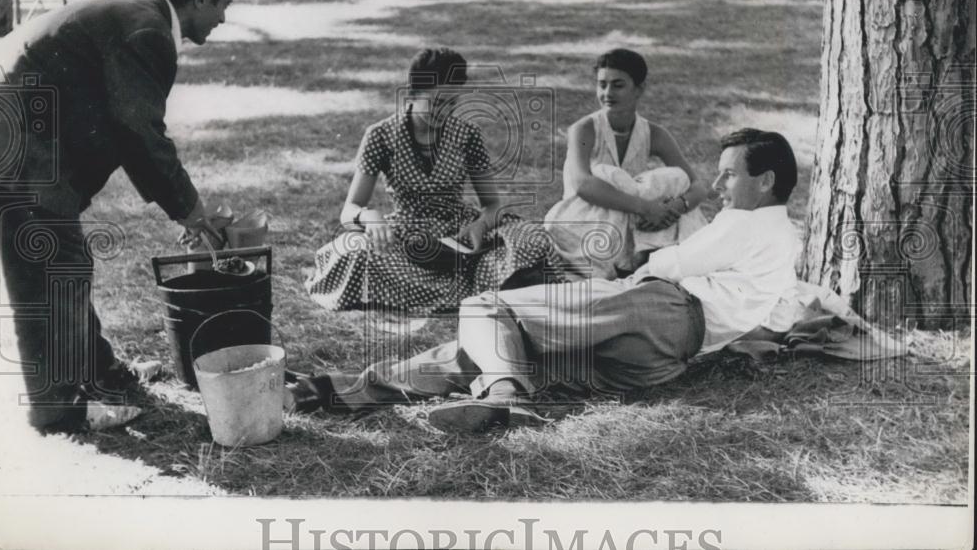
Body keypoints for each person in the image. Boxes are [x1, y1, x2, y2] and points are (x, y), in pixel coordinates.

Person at [287, 128, 803, 433]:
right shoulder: (786, 239)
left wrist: (639, 272)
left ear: (766, 181)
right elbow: (773, 310)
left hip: (659, 310)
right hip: (664, 362)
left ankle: (506, 395)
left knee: (485, 309)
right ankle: (327, 392)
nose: (717, 184)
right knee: (489, 352)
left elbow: (673, 263)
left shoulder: (745, 221)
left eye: (729, 174)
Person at [0, 0, 243, 433]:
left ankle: (101, 374)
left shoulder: (141, 19)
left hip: (16, 132)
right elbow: (138, 131)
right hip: (8, 140)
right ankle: (56, 408)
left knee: (66, 264)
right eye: (225, 3)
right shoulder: (149, 33)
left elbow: (120, 127)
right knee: (48, 268)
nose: (224, 18)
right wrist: (192, 212)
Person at [305, 47, 566, 314]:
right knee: (354, 253)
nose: (444, 112)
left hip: (459, 233)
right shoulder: (380, 135)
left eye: (452, 103)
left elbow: (493, 205)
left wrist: (478, 227)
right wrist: (370, 217)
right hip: (407, 236)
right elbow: (349, 210)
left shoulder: (467, 135)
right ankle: (485, 287)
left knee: (529, 240)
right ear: (411, 95)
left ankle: (475, 282)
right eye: (436, 102)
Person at [544, 49, 709, 279]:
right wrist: (646, 208)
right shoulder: (584, 129)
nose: (607, 93)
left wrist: (675, 208)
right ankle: (634, 265)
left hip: (634, 223)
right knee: (605, 174)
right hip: (585, 222)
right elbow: (582, 184)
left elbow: (698, 186)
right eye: (602, 85)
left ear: (639, 89)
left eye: (618, 85)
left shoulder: (654, 134)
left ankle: (659, 262)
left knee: (673, 179)